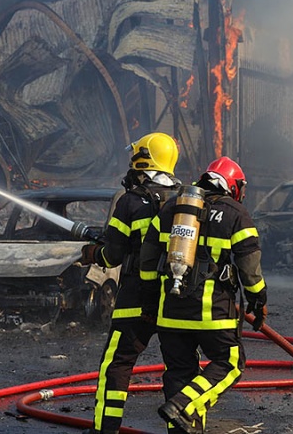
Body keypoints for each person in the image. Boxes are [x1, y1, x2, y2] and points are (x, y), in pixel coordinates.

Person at [139, 156, 266, 434]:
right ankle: (184, 406)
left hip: (170, 312)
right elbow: (249, 266)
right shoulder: (235, 213)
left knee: (179, 372)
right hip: (211, 312)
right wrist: (258, 301)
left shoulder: (171, 208)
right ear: (234, 186)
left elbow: (147, 260)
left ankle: (182, 424)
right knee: (229, 363)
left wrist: (149, 302)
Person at [79, 132, 182, 434]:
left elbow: (112, 256)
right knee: (181, 369)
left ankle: (106, 429)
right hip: (176, 299)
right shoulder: (185, 201)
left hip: (136, 299)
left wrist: (93, 253)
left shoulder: (130, 202)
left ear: (143, 160)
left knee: (117, 365)